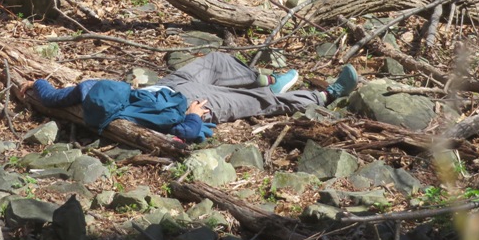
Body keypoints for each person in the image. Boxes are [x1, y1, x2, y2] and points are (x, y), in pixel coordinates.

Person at [20, 51, 359, 143]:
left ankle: (265, 79)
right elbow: (186, 135)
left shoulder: (90, 90)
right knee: (264, 105)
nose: (128, 87)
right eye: (127, 91)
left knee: (214, 61)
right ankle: (325, 95)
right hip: (189, 105)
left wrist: (35, 85)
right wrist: (195, 114)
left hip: (172, 84)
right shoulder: (133, 119)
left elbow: (55, 97)